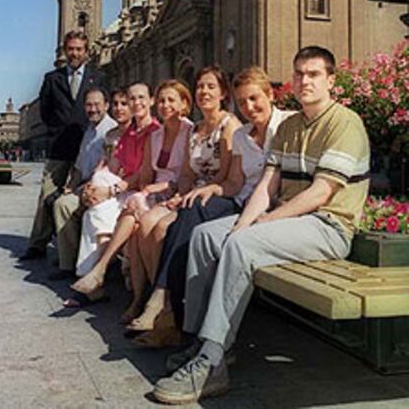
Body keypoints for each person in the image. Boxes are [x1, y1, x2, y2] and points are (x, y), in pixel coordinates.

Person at [152, 46, 371, 405]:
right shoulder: (290, 126)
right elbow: (267, 186)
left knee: (242, 244)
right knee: (206, 236)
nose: (304, 81)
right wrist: (244, 223)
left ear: (331, 80)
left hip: (327, 226)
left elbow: (320, 194)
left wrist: (258, 227)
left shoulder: (345, 123)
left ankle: (212, 363)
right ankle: (200, 340)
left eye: (313, 74)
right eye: (299, 73)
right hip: (290, 222)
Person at [147, 66, 294, 336]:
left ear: (270, 94)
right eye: (243, 102)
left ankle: (168, 308)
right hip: (240, 201)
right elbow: (235, 183)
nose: (249, 107)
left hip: (269, 209)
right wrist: (211, 190)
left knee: (189, 222)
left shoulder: (287, 126)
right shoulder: (242, 136)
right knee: (193, 209)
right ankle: (169, 308)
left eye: (254, 99)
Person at [124, 66, 240, 338]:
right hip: (190, 196)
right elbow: (187, 173)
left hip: (215, 195)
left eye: (211, 86)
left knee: (164, 229)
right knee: (149, 224)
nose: (204, 91)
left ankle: (165, 305)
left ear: (223, 92)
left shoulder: (229, 125)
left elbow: (224, 177)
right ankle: (160, 306)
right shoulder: (196, 130)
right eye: (200, 86)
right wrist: (179, 195)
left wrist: (191, 194)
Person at [69, 80, 193, 305]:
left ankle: (97, 275)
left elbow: (168, 176)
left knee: (100, 214)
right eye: (131, 99)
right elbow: (120, 167)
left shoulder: (163, 130)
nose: (134, 103)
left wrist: (113, 189)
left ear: (150, 102)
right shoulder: (139, 134)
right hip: (141, 191)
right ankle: (95, 278)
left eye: (140, 98)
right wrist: (95, 184)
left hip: (157, 192)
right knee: (94, 211)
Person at [19, 30, 107, 261]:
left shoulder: (97, 77)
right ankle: (38, 243)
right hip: (59, 146)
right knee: (47, 193)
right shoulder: (52, 78)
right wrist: (55, 129)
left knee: (85, 193)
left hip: (89, 144)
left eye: (79, 49)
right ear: (65, 50)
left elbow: (101, 106)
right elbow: (46, 110)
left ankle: (76, 244)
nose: (75, 53)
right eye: (71, 49)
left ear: (86, 52)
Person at [51, 87, 131, 279]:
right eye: (88, 105)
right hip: (89, 184)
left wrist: (92, 187)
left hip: (106, 187)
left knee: (70, 207)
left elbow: (114, 170)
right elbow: (80, 166)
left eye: (97, 104)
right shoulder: (89, 130)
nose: (92, 109)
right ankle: (70, 262)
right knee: (62, 201)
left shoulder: (110, 131)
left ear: (106, 106)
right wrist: (71, 187)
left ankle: (82, 268)